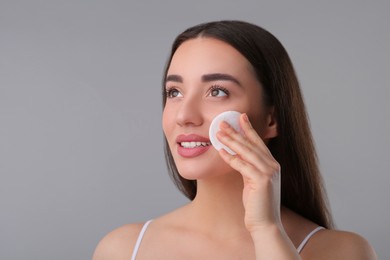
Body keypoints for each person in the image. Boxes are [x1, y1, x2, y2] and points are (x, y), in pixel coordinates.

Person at [93, 20, 377, 259]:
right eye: (174, 92)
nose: (184, 115)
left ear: (271, 120)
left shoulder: (342, 251)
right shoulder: (122, 249)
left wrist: (266, 229)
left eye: (217, 91)